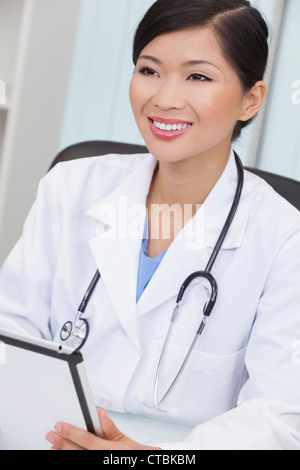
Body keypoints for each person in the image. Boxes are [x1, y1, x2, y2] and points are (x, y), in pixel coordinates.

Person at [0, 0, 300, 450]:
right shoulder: (71, 187)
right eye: (149, 70)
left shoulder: (283, 237)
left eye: (197, 76)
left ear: (250, 99)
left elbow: (278, 416)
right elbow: (10, 331)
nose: (164, 98)